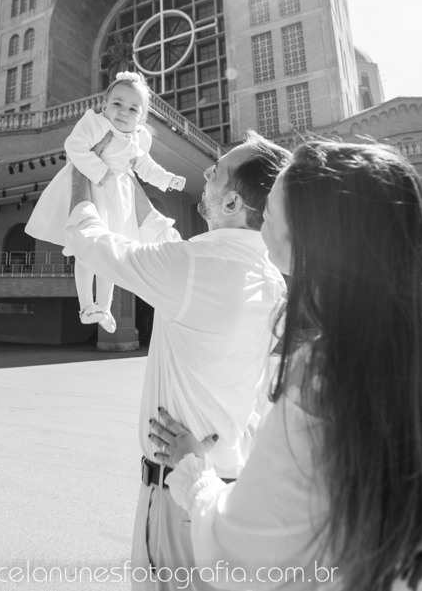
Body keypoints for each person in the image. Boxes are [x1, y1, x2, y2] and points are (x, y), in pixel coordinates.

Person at [148, 141, 422, 591]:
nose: (264, 207)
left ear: (314, 233)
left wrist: (193, 468)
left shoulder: (323, 374)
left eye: (275, 204)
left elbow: (239, 555)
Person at [64, 130, 290, 591]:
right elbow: (165, 240)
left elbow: (92, 243)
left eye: (218, 170)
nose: (206, 172)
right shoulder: (267, 277)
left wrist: (79, 177)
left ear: (232, 204)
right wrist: (127, 184)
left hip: (178, 495)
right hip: (227, 481)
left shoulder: (193, 268)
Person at [27, 71, 186, 332]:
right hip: (93, 186)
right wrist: (99, 171)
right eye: (117, 103)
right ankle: (86, 304)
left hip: (119, 196)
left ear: (141, 117)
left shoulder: (138, 138)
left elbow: (146, 167)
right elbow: (74, 146)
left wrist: (168, 180)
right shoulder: (96, 124)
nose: (124, 112)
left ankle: (103, 306)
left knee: (109, 249)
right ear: (104, 105)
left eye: (133, 108)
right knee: (86, 245)